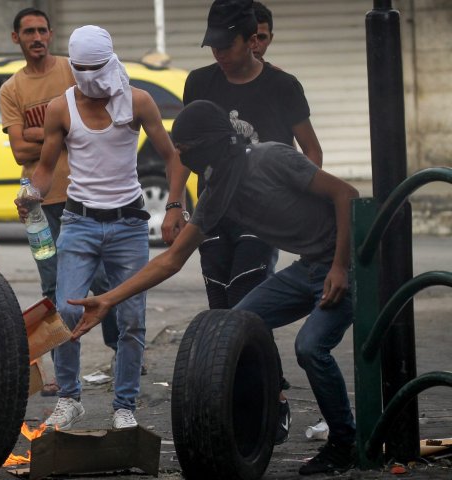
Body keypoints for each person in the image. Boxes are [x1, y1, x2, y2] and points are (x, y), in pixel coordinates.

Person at [70, 100, 358, 475]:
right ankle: (259, 420)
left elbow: (346, 194)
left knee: (310, 347)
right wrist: (108, 299)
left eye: (187, 150)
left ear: (211, 143)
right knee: (237, 327)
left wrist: (339, 266)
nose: (182, 157)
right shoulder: (218, 193)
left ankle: (344, 442)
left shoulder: (270, 159)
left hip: (351, 263)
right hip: (310, 267)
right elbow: (171, 260)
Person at [169, 0, 324, 443]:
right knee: (220, 310)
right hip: (215, 208)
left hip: (262, 210)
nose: (218, 52)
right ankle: (233, 399)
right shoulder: (200, 81)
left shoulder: (282, 85)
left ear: (251, 39)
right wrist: (174, 204)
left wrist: (297, 199)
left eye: (226, 44)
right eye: (211, 44)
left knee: (246, 302)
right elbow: (185, 148)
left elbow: (311, 150)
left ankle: (271, 398)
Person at [19, 25, 188, 431]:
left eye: (96, 68)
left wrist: (174, 207)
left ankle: (124, 406)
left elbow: (174, 158)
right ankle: (69, 399)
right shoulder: (62, 108)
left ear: (110, 62)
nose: (90, 76)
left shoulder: (137, 101)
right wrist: (31, 193)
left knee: (131, 318)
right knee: (64, 310)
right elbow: (44, 168)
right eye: (82, 68)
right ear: (73, 67)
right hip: (78, 221)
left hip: (129, 224)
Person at [0, 7, 125, 393]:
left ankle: (122, 355)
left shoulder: (74, 71)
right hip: (38, 206)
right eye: (28, 32)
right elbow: (20, 151)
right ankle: (59, 373)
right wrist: (62, 126)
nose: (37, 37)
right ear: (16, 39)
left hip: (85, 195)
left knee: (106, 281)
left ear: (51, 34)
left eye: (42, 30)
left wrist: (43, 128)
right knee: (52, 283)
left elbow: (99, 120)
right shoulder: (11, 89)